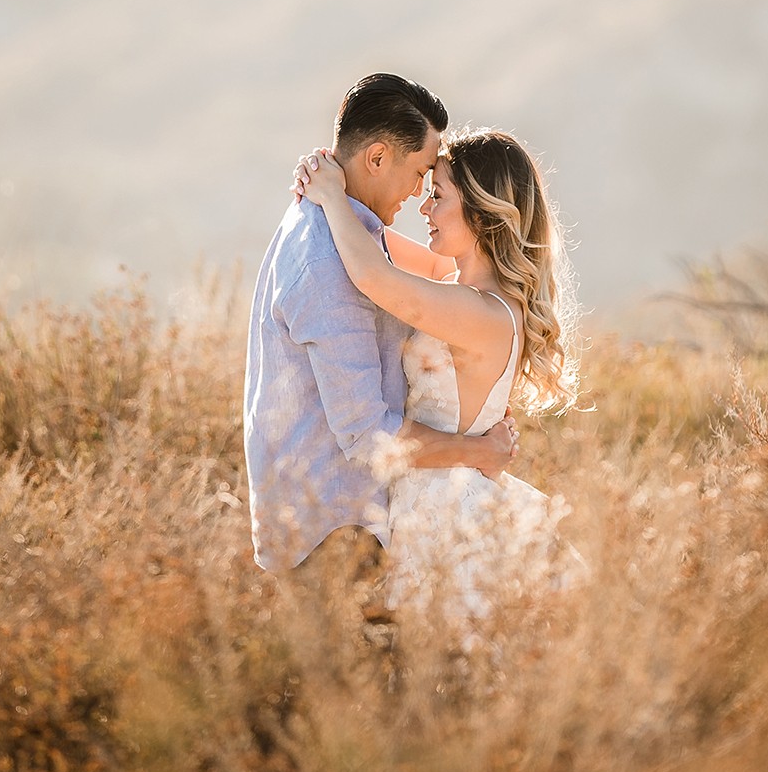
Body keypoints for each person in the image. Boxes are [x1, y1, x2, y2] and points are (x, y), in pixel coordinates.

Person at [294, 125, 580, 650]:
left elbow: (373, 276)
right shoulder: (461, 287)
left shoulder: (486, 314)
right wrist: (329, 186)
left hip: (451, 516)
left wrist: (332, 197)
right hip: (427, 502)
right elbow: (374, 247)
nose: (424, 209)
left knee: (456, 666)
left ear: (480, 211)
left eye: (438, 197)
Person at [243, 74, 517, 598]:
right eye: (419, 175)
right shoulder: (331, 262)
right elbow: (368, 438)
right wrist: (477, 451)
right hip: (334, 534)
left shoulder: (345, 230)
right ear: (375, 158)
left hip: (353, 525)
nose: (419, 195)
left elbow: (427, 278)